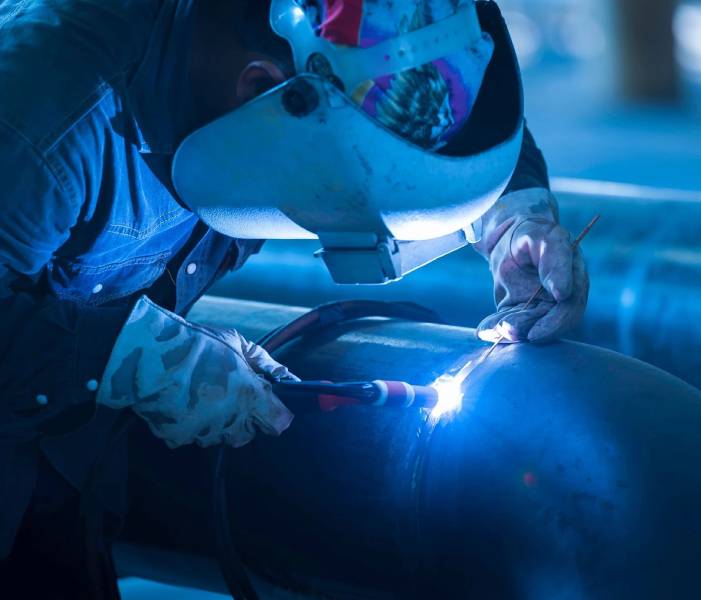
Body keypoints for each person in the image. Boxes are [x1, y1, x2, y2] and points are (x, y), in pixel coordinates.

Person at [0, 0, 588, 597]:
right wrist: (117, 355)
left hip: (60, 455)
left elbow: (431, 97)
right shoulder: (46, 116)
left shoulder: (323, 78)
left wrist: (516, 214)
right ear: (265, 92)